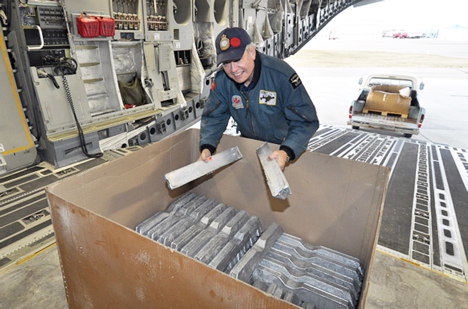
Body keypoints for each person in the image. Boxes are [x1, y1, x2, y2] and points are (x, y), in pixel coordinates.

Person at [199, 27, 319, 170]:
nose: (233, 69)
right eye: (226, 63)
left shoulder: (280, 75)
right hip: (250, 146)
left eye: (237, 59)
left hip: (286, 148)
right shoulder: (222, 81)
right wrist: (207, 147)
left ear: (252, 52)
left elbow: (305, 121)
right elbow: (214, 117)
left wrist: (287, 151)